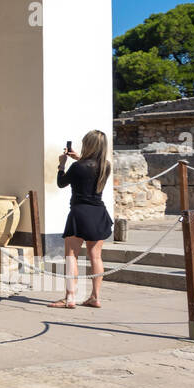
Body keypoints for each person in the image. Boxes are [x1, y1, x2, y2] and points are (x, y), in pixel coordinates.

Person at [50, 129, 114, 309]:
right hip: (98, 213)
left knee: (71, 256)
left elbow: (61, 183)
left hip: (79, 213)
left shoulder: (77, 167)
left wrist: (62, 165)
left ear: (88, 144)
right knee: (96, 257)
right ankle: (95, 297)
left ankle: (70, 297)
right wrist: (78, 158)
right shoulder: (105, 166)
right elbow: (90, 169)